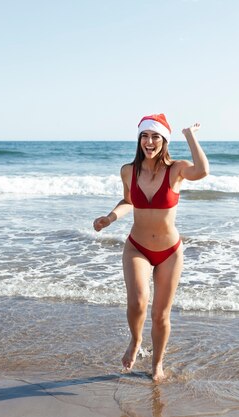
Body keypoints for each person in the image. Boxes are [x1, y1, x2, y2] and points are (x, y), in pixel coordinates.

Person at [93, 113, 209, 381]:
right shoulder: (128, 171)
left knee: (160, 314)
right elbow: (128, 201)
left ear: (164, 140)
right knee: (137, 302)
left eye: (155, 136)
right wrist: (109, 218)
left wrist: (190, 135)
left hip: (170, 252)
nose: (149, 141)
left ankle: (157, 362)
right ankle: (135, 341)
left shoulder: (176, 170)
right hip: (137, 247)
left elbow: (202, 171)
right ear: (139, 140)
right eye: (144, 136)